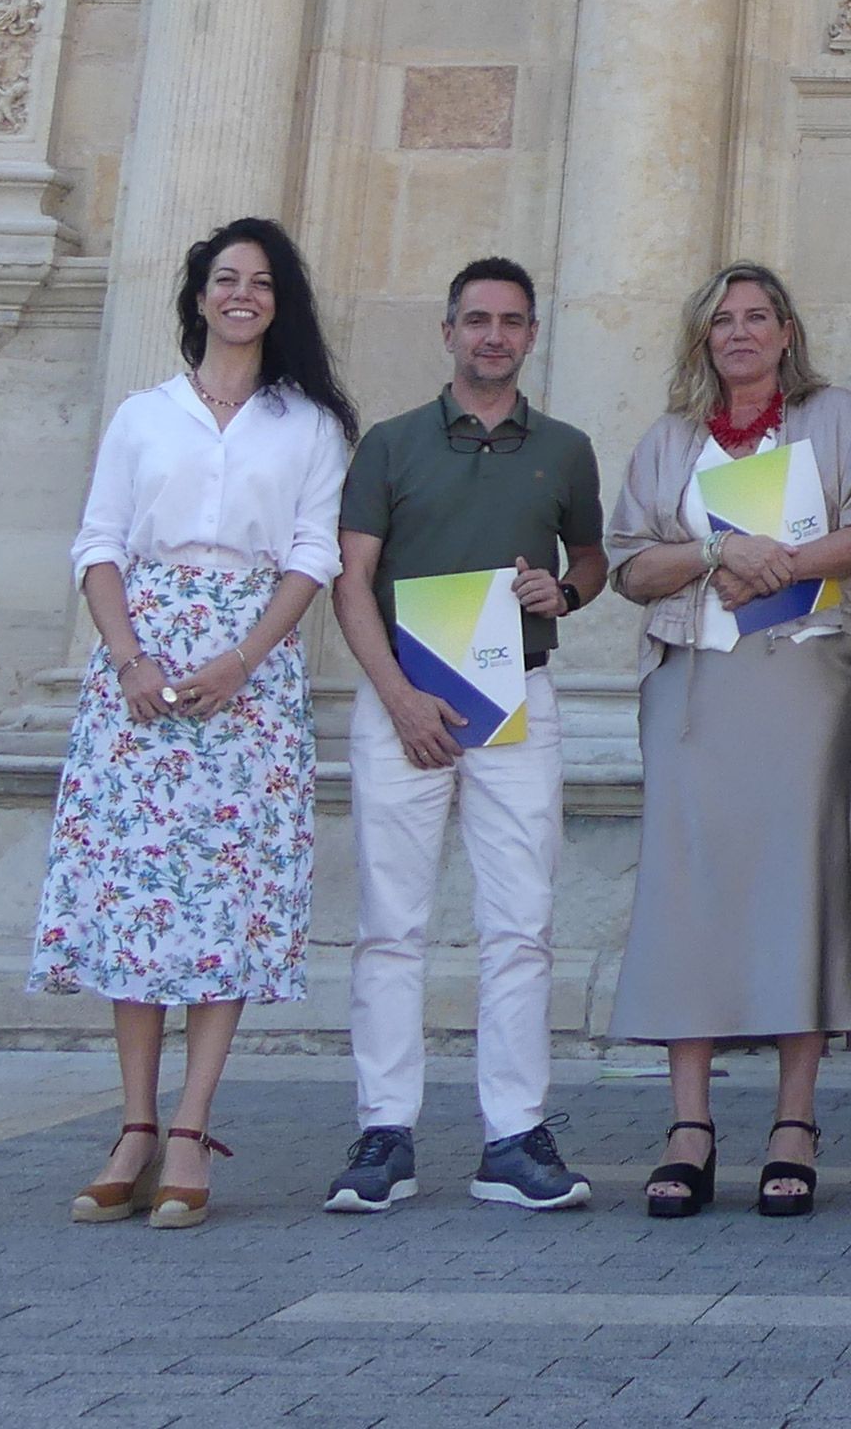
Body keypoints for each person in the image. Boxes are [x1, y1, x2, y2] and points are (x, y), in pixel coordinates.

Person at [32, 217, 353, 1230]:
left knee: (226, 898)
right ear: (199, 295)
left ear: (279, 301)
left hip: (247, 664)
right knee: (135, 889)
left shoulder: (308, 425)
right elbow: (100, 544)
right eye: (226, 279)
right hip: (141, 659)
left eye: (261, 282)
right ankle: (131, 1121)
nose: (242, 296)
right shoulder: (144, 416)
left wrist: (244, 659)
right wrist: (129, 658)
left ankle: (191, 1124)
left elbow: (312, 554)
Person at [605, 261, 851, 1221]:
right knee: (689, 886)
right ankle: (689, 1125)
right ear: (702, 339)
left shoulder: (835, 417)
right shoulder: (669, 439)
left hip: (802, 673)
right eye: (722, 320)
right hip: (694, 681)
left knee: (795, 883)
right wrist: (716, 553)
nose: (740, 332)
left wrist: (780, 561)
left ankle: (794, 1122)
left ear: (785, 331)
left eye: (757, 316)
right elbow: (630, 567)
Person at [319, 257, 606, 1220]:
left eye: (511, 322)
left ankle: (513, 1135)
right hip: (404, 700)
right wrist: (397, 696)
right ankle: (384, 1132)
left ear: (531, 335)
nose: (493, 335)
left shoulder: (564, 449)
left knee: (521, 925)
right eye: (476, 319)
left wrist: (559, 591)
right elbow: (350, 581)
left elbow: (594, 560)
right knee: (390, 926)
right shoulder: (390, 446)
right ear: (447, 332)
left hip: (517, 698)